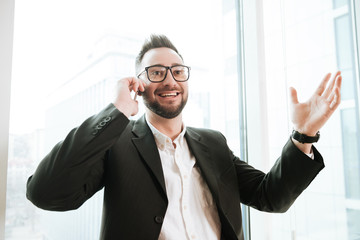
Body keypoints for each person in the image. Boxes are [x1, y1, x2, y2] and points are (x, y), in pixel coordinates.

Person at [26, 34, 342, 240]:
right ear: (137, 84)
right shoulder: (116, 145)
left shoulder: (214, 143)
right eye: (156, 72)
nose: (170, 79)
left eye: (178, 70)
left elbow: (270, 196)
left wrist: (304, 134)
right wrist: (117, 110)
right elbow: (45, 192)